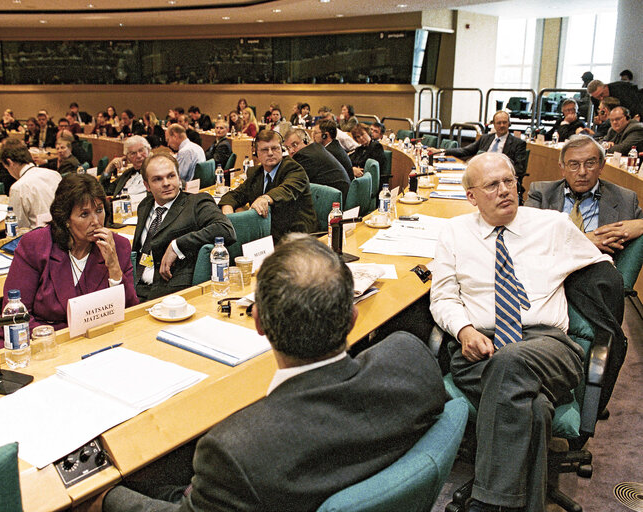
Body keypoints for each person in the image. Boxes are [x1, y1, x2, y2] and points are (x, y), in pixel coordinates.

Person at [98, 234, 446, 512]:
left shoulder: (235, 450)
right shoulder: (411, 359)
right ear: (353, 319)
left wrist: (106, 500)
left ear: (259, 322)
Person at [429, 152, 613, 512]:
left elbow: (603, 272)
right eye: (492, 185)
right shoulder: (453, 233)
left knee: (511, 363)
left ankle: (487, 502)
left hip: (549, 346)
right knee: (534, 407)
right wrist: (464, 330)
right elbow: (443, 297)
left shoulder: (553, 226)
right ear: (471, 196)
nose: (504, 191)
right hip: (479, 347)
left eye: (509, 181)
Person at [2, 173, 138, 339]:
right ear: (65, 219)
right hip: (47, 341)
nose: (95, 221)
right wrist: (51, 340)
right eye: (84, 214)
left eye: (99, 210)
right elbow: (15, 316)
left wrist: (114, 267)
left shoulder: (118, 246)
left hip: (102, 338)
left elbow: (131, 312)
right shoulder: (35, 245)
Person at [131, 152, 235, 301]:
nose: (166, 183)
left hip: (168, 292)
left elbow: (226, 229)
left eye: (171, 176)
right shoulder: (144, 206)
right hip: (134, 286)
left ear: (179, 177)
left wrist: (177, 245)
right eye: (158, 179)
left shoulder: (196, 203)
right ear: (147, 185)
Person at [526, 134, 643, 255]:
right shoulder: (541, 192)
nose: (582, 172)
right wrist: (584, 240)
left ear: (601, 166)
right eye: (574, 165)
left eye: (590, 164)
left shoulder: (625, 198)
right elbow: (527, 235)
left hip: (600, 270)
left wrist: (640, 224)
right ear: (562, 168)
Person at [219, 129, 317, 242]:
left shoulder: (294, 169)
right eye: (265, 150)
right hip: (267, 234)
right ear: (256, 152)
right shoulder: (256, 173)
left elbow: (286, 190)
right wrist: (228, 209)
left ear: (281, 149)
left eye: (275, 148)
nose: (270, 153)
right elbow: (236, 195)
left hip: (295, 236)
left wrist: (264, 198)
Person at [440, 110, 528, 177]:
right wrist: (441, 151)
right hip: (480, 174)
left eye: (504, 122)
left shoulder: (518, 143)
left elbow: (519, 169)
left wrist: (497, 173)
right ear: (494, 125)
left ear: (509, 123)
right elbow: (465, 151)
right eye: (499, 123)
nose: (502, 125)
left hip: (499, 178)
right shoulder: (485, 138)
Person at [0, 138, 62, 229]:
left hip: (39, 238)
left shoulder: (18, 187)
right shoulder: (54, 174)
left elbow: (18, 226)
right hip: (65, 233)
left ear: (10, 162)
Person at [284, 127, 350, 202]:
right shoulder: (316, 148)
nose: (291, 151)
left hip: (335, 202)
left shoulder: (303, 156)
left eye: (295, 145)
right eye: (288, 148)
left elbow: (293, 182)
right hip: (343, 195)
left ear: (305, 141)